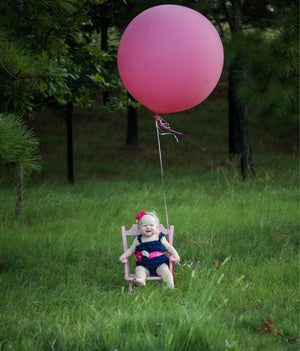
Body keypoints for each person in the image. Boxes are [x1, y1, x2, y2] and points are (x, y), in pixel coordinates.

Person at [119, 211, 180, 289]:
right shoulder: (138, 240)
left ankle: (171, 287)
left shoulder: (159, 237)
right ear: (139, 228)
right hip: (144, 265)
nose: (148, 227)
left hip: (160, 263)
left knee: (165, 270)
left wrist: (175, 254)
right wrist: (124, 256)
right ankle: (141, 280)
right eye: (144, 225)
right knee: (139, 269)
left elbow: (168, 247)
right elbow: (131, 250)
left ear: (157, 227)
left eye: (151, 225)